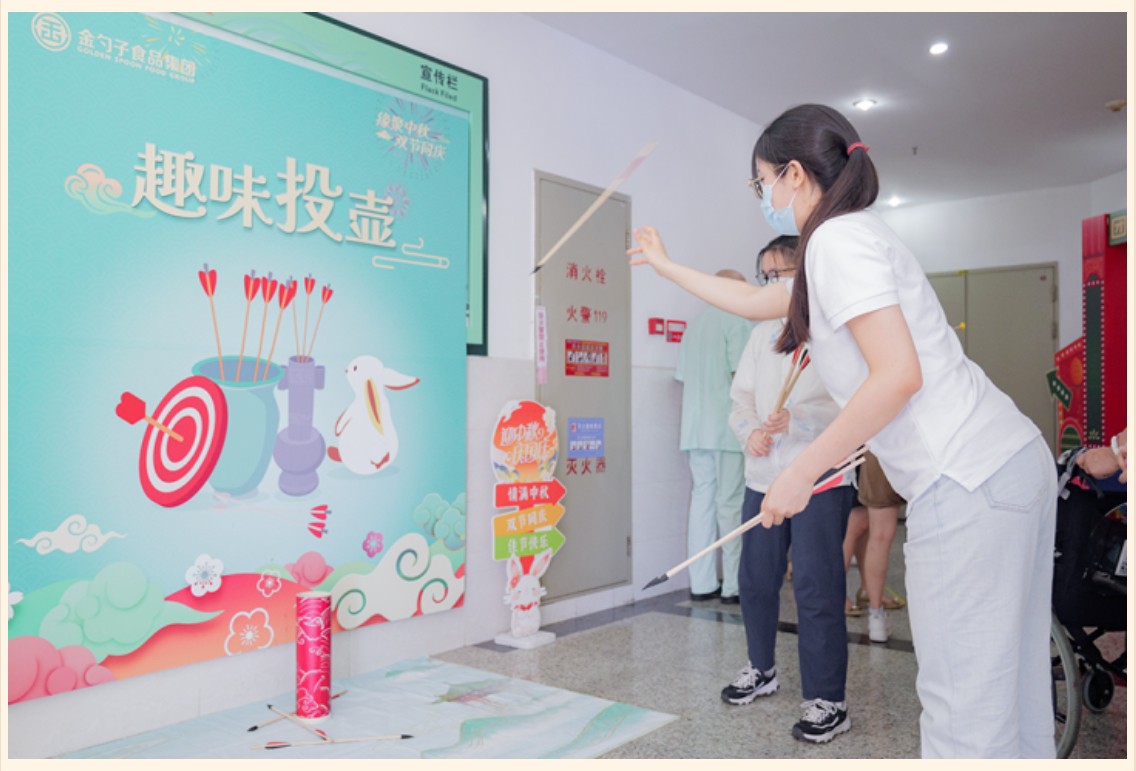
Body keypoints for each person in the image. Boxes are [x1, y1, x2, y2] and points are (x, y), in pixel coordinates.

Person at [628, 103, 1057, 758]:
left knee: (964, 711)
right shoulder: (845, 243)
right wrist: (666, 266)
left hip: (965, 476)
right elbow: (753, 300)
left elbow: (897, 375)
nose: (763, 197)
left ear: (794, 175)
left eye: (761, 182)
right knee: (1012, 694)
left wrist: (802, 472)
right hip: (1004, 463)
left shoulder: (836, 241)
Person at [722, 235, 856, 744]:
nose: (770, 284)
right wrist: (750, 433)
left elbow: (852, 407)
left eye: (778, 275)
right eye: (766, 276)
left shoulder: (835, 333)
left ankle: (828, 699)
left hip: (821, 479)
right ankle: (761, 668)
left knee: (816, 588)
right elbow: (740, 402)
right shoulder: (762, 336)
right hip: (764, 478)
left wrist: (797, 418)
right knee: (756, 580)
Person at [674, 269, 751, 603]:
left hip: (695, 432)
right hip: (727, 431)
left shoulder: (695, 326)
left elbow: (683, 377)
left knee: (701, 504)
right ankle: (733, 586)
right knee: (730, 505)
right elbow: (743, 379)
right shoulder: (737, 322)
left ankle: (702, 584)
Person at [842, 451, 906, 644]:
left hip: (875, 452)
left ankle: (876, 614)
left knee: (874, 532)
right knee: (870, 530)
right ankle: (873, 610)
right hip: (902, 454)